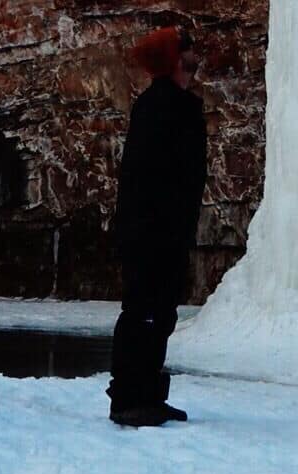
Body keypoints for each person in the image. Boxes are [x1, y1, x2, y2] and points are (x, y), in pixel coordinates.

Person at [108, 26, 206, 428]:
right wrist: (155, 228)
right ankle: (129, 399)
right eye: (187, 62)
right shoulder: (158, 106)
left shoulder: (174, 105)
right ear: (170, 64)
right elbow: (148, 177)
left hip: (165, 230)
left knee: (160, 313)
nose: (193, 71)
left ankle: (147, 394)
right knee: (143, 313)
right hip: (151, 232)